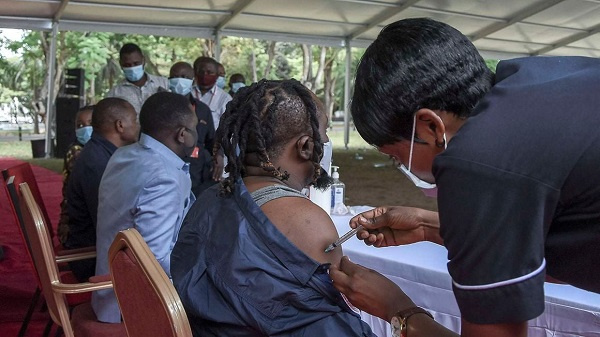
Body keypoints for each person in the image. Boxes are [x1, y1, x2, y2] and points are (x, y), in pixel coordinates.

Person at [329, 18, 600, 337]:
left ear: (430, 126)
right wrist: (428, 226)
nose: (401, 168)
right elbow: (539, 251)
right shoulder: (539, 81)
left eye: (394, 156)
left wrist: (399, 311)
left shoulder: (475, 164)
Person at [171, 79, 375, 336]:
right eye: (323, 135)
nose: (325, 143)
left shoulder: (209, 198)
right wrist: (398, 308)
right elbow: (329, 322)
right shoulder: (307, 221)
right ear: (305, 146)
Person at [92, 92, 197, 323]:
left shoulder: (124, 154)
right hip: (136, 308)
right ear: (182, 134)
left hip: (108, 294)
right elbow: (155, 259)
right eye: (194, 128)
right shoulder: (164, 176)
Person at [64, 98, 138, 282]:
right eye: (134, 120)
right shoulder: (97, 163)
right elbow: (108, 222)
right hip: (92, 258)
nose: (137, 126)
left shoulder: (101, 153)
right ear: (120, 125)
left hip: (98, 246)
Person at [169, 61, 222, 196]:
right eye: (175, 76)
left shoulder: (202, 110)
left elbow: (212, 141)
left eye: (185, 77)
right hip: (166, 173)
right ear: (169, 80)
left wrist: (219, 156)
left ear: (192, 81)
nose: (180, 80)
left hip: (196, 176)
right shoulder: (159, 107)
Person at [57, 105, 94, 246]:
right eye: (80, 125)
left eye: (90, 123)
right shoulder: (76, 152)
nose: (85, 128)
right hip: (74, 230)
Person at [107, 43, 168, 113]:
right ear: (121, 64)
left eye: (136, 63)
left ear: (143, 61)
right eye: (127, 65)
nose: (132, 68)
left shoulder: (164, 83)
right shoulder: (115, 93)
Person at [191, 56, 232, 131]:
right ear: (196, 73)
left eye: (210, 73)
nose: (205, 75)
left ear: (217, 76)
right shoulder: (188, 93)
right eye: (201, 72)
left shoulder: (225, 98)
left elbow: (229, 127)